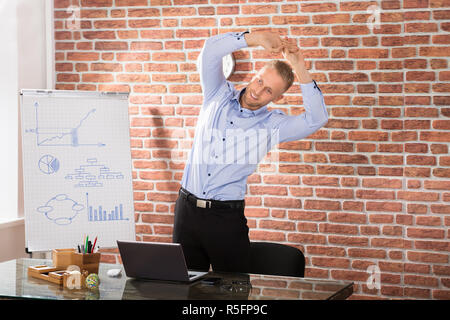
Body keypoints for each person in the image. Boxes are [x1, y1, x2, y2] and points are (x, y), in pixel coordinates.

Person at [173, 30, 329, 273]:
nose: (258, 90)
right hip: (186, 211)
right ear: (255, 75)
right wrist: (256, 38)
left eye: (268, 90)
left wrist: (300, 67)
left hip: (225, 220)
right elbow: (210, 49)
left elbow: (316, 119)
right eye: (259, 80)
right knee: (185, 289)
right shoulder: (217, 94)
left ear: (277, 98)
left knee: (233, 292)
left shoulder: (272, 125)